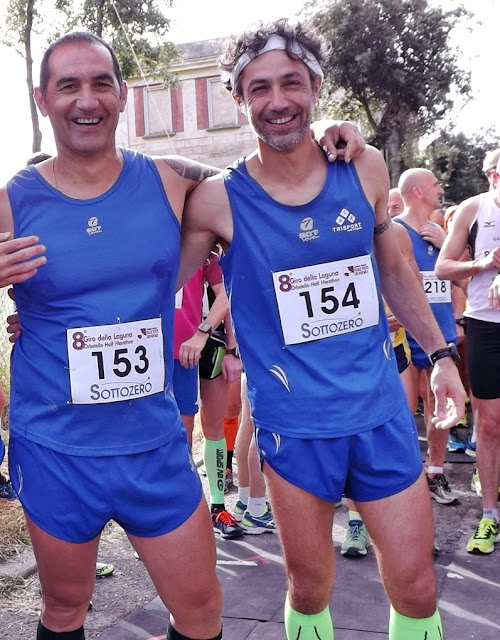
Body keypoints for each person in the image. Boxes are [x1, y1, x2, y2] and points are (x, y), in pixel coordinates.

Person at [0, 30, 363, 640]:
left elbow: (268, 177)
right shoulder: (12, 202)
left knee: (200, 610)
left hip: (154, 445)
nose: (86, 100)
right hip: (57, 447)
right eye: (68, 86)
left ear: (122, 95)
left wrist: (325, 131)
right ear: (42, 99)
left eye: (101, 84)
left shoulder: (172, 182)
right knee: (64, 607)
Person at [178, 18, 465, 640]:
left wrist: (440, 355)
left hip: (379, 412)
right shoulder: (218, 200)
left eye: (291, 82)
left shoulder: (364, 168)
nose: (277, 100)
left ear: (315, 86)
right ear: (238, 98)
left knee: (417, 586)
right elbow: (150, 276)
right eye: (258, 88)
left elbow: (393, 268)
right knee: (309, 588)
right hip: (295, 424)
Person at [436, 155, 500, 554]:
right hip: (486, 325)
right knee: (489, 424)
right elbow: (443, 267)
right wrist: (481, 264)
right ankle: (490, 515)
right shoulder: (475, 209)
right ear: (494, 175)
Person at [394, 169, 460, 506]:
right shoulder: (395, 232)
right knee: (404, 410)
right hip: (408, 334)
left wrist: (444, 245)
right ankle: (407, 478)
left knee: (440, 407)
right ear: (418, 192)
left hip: (442, 334)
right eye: (436, 184)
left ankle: (435, 472)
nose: (441, 188)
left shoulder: (441, 233)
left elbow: (463, 281)